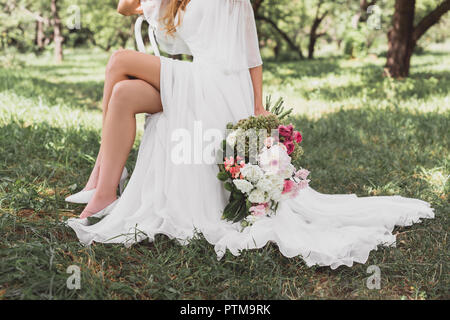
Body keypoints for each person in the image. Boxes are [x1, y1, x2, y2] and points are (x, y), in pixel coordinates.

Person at [66, 0, 434, 269]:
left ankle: (102, 183)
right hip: (194, 81)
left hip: (220, 85)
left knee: (118, 60)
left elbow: (252, 55)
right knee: (123, 93)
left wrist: (257, 105)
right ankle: (105, 185)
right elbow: (124, 7)